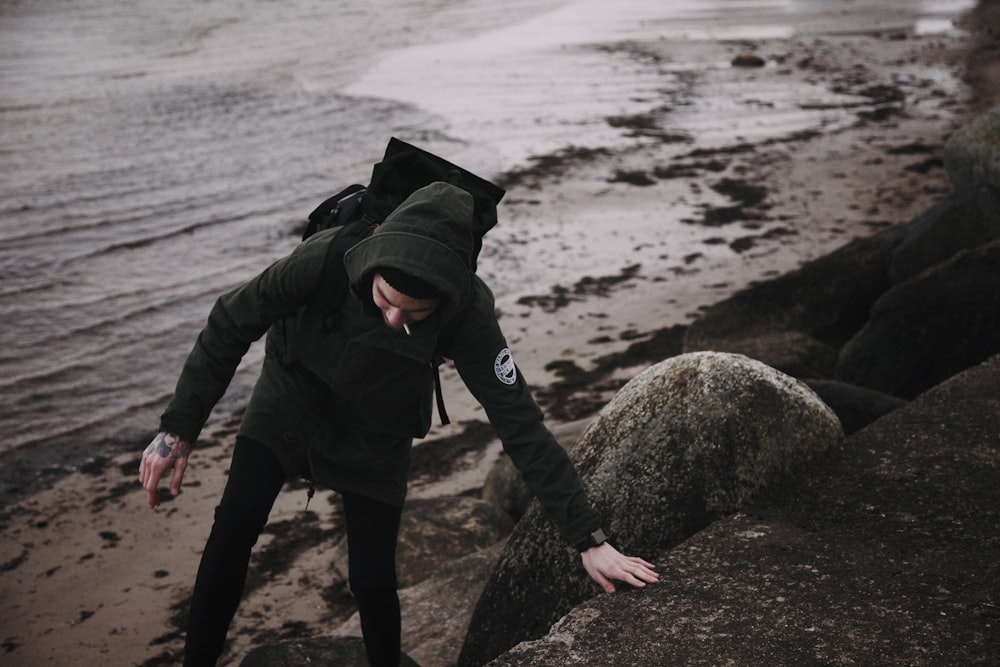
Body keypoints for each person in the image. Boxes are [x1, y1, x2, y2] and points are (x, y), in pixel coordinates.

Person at [139, 180, 659, 667]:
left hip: (380, 424)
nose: (393, 318)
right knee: (234, 528)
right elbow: (230, 321)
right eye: (385, 299)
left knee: (372, 580)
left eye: (413, 313)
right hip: (290, 396)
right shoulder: (323, 258)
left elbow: (520, 423)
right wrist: (178, 431)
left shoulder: (468, 316)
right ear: (371, 263)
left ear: (447, 298)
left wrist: (589, 540)